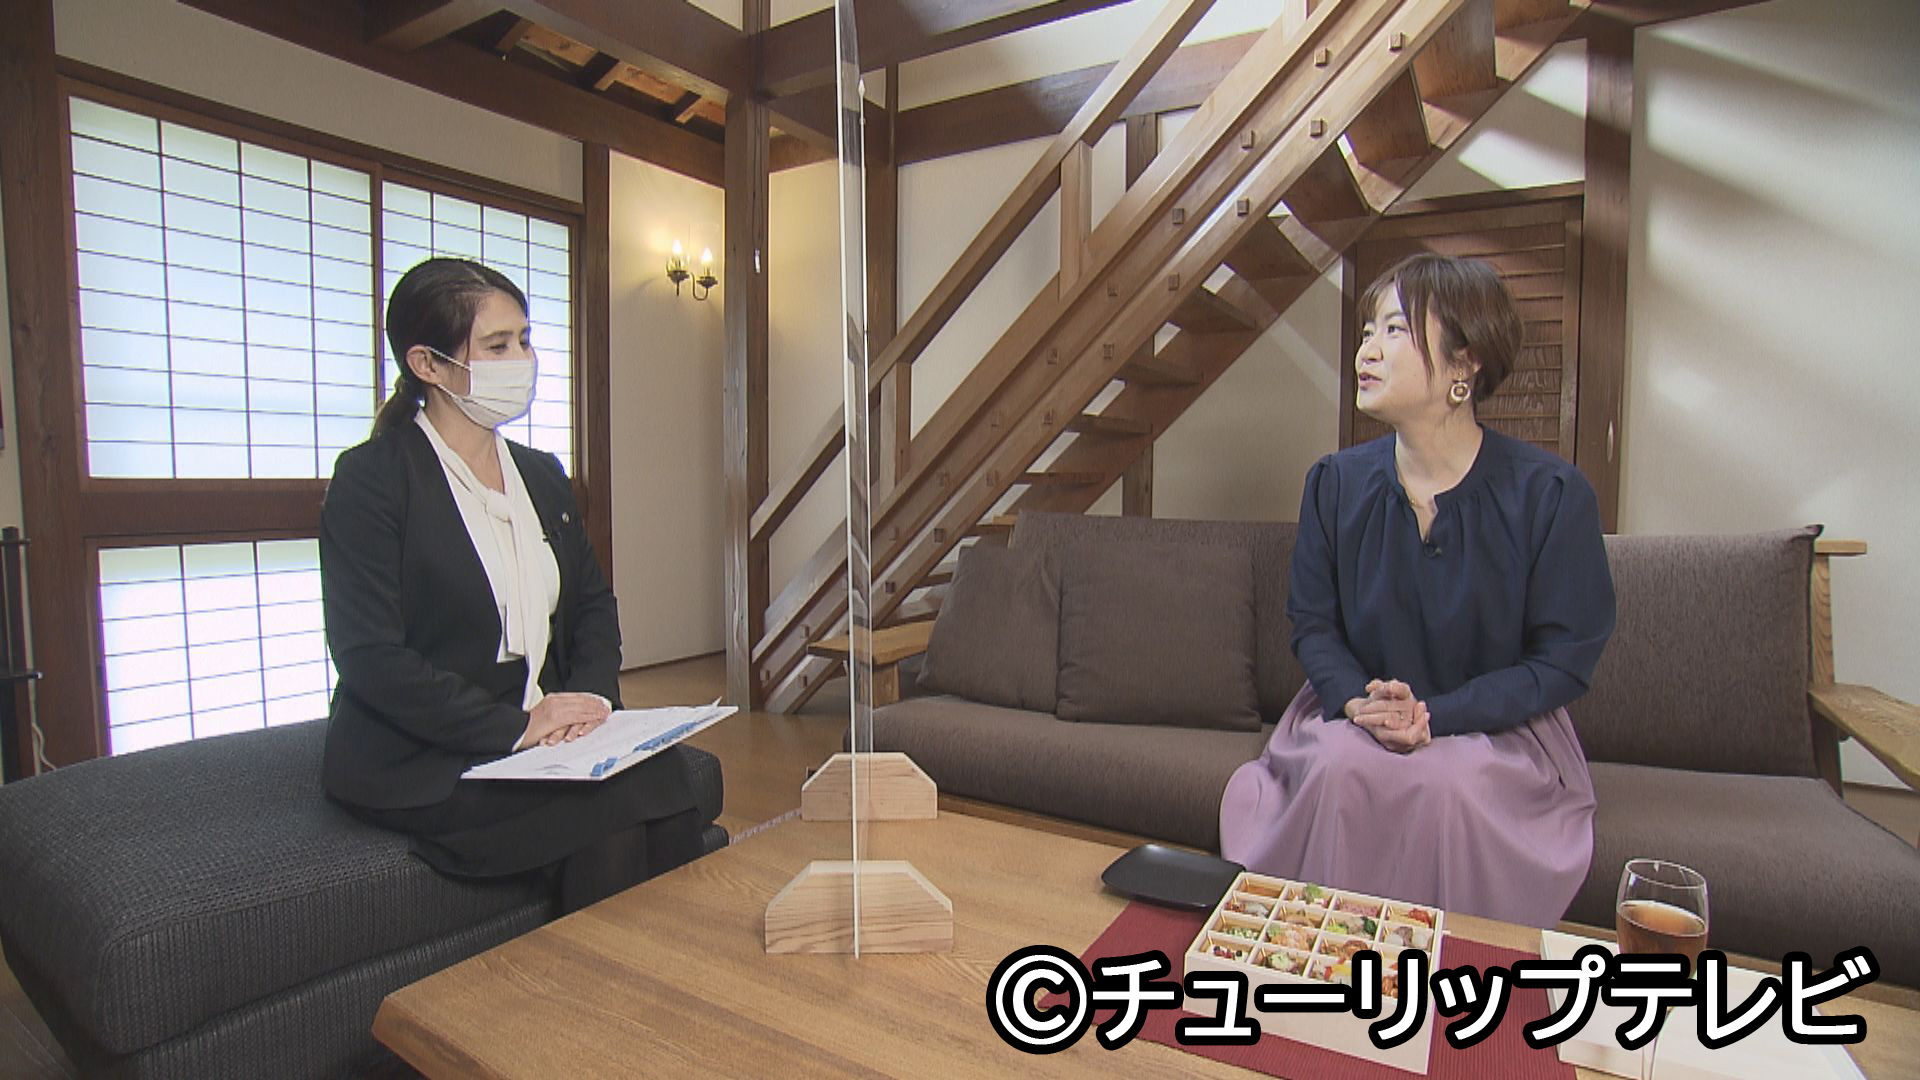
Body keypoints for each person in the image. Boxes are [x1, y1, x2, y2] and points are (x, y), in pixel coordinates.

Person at [1218, 253, 1614, 927]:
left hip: (1494, 732)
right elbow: (1313, 623)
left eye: (1395, 329)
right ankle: (1313, 957)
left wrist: (1435, 715)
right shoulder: (1333, 483)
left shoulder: (1551, 494)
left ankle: (1448, 970)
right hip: (1355, 714)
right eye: (1367, 331)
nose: (1366, 351)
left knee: (1447, 783)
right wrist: (1360, 703)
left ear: (1466, 361)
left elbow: (1561, 662)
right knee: (1338, 767)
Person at [320, 257, 705, 913]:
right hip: (425, 753)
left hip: (541, 733)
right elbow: (372, 658)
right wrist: (518, 727)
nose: (522, 360)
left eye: (524, 340)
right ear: (428, 364)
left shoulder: (540, 475)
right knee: (611, 809)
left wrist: (588, 703)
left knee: (666, 774)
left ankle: (665, 970)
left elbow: (592, 605)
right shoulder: (373, 480)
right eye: (498, 346)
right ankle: (608, 979)